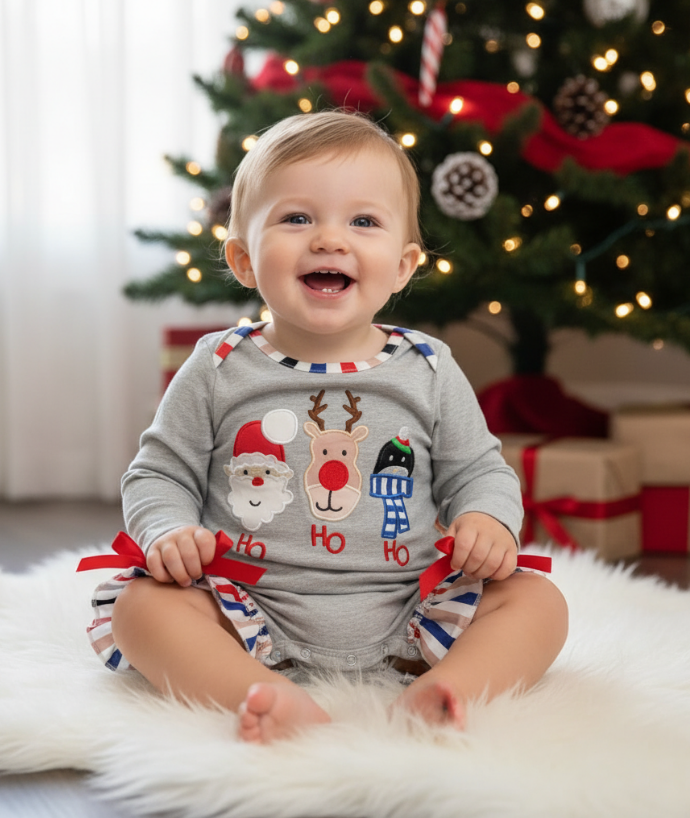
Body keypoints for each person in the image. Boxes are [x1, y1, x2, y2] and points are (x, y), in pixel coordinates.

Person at [87, 110, 568, 744]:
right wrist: (168, 531)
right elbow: (159, 473)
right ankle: (258, 691)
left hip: (411, 607)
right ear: (244, 259)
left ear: (403, 266)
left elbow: (478, 470)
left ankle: (445, 688)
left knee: (537, 602)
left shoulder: (427, 367)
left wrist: (487, 519)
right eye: (297, 218)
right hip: (246, 606)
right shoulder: (219, 365)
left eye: (363, 222)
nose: (330, 240)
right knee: (141, 607)